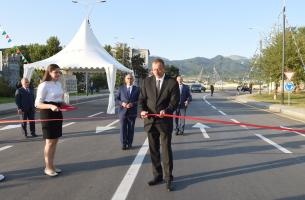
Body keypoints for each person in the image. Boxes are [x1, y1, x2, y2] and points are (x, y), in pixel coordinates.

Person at [139, 58, 180, 191]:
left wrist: (167, 110)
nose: (156, 71)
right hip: (150, 121)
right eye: (154, 69)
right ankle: (157, 175)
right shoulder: (146, 82)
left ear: (164, 69)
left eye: (159, 69)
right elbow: (141, 100)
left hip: (164, 122)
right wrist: (142, 111)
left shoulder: (172, 82)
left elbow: (174, 102)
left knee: (166, 150)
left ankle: (168, 178)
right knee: (154, 150)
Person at [35, 64, 65, 177]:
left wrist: (65, 104)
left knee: (55, 141)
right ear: (49, 72)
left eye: (59, 72)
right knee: (49, 141)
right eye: (56, 72)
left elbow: (59, 100)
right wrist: (51, 106)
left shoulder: (58, 84)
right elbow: (37, 104)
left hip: (57, 112)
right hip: (48, 113)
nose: (58, 74)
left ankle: (52, 165)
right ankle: (47, 167)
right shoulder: (44, 85)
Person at [116, 74, 140, 150]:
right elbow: (116, 99)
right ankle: (123, 143)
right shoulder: (121, 88)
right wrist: (122, 103)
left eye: (131, 78)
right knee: (123, 129)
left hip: (132, 112)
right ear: (125, 80)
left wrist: (132, 104)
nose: (129, 80)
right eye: (128, 78)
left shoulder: (137, 89)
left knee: (131, 129)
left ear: (133, 80)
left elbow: (140, 100)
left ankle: (129, 143)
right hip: (122, 112)